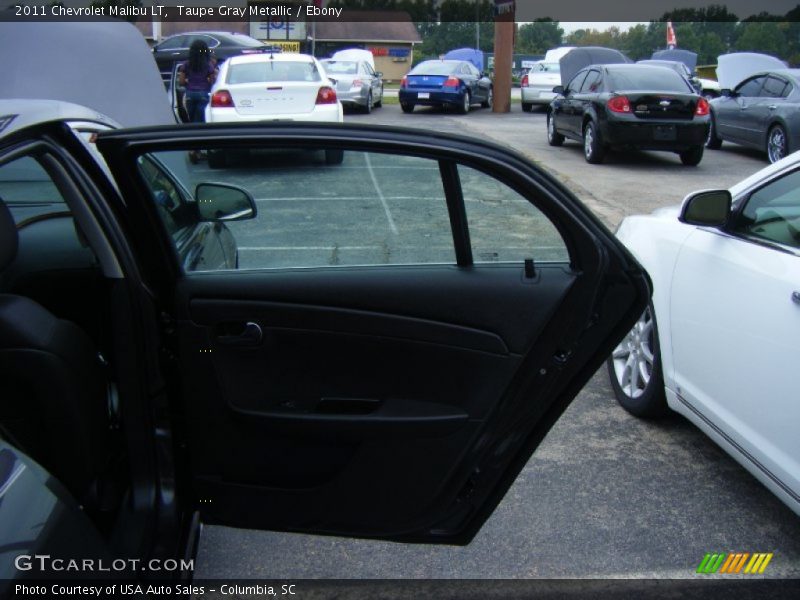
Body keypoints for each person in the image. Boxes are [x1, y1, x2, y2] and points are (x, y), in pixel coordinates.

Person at [177, 40, 218, 162]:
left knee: (192, 122)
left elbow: (181, 82)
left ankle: (194, 150)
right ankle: (197, 150)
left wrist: (189, 82)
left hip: (189, 95)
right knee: (201, 123)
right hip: (203, 94)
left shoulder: (186, 64)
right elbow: (212, 81)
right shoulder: (208, 65)